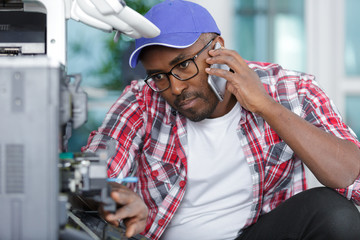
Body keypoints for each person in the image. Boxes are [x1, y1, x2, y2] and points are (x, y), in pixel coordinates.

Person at [82, 0, 360, 239]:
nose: (175, 88)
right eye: (158, 75)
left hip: (252, 234)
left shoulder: (291, 90)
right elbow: (94, 170)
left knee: (334, 214)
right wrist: (114, 195)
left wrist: (266, 106)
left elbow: (350, 176)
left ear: (217, 49)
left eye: (183, 65)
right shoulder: (143, 100)